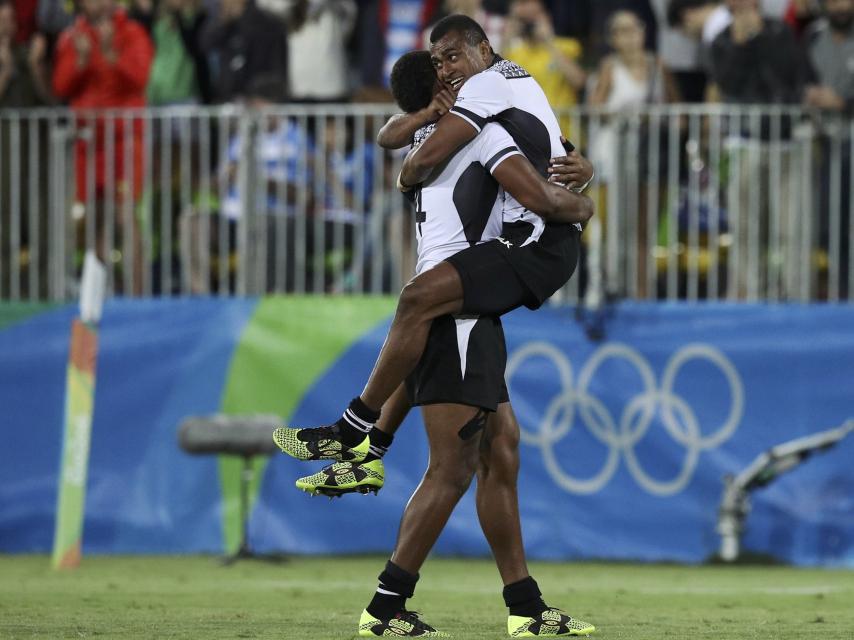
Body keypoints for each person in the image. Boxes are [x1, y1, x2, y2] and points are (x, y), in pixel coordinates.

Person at [293, 48, 596, 639]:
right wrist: (583, 200)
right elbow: (537, 197)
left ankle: (525, 607)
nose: (464, 82)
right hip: (459, 309)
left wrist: (570, 158)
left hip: (459, 304)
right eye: (451, 78)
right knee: (454, 468)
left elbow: (399, 148)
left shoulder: (421, 146)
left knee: (500, 452)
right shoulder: (480, 138)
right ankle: (383, 608)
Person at [274, 13, 593, 492]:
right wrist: (582, 172)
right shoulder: (505, 94)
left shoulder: (477, 118)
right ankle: (370, 454)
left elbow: (407, 151)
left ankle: (355, 433)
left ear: (483, 52)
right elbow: (551, 148)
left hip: (522, 246)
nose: (447, 69)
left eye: (452, 57)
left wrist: (581, 203)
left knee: (453, 468)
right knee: (494, 448)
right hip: (488, 261)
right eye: (439, 63)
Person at [52, 0, 153, 294]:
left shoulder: (132, 33)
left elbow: (140, 77)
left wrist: (110, 53)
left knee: (124, 213)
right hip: (89, 143)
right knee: (96, 220)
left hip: (123, 140)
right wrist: (82, 59)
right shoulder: (74, 37)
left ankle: (139, 295)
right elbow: (60, 86)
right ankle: (95, 297)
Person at [805, 0, 854, 297]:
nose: (841, 6)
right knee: (827, 227)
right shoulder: (813, 36)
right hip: (823, 143)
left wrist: (842, 103)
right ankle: (842, 292)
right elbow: (798, 78)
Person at [502, 0, 585, 136]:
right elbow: (494, 80)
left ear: (547, 17)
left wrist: (549, 42)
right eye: (524, 20)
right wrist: (507, 37)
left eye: (534, 17)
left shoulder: (567, 46)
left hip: (562, 133)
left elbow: (578, 81)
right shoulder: (514, 52)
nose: (530, 24)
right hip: (525, 134)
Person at [202, 0, 288, 103]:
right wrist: (222, 21)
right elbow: (204, 44)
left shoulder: (269, 24)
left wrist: (267, 94)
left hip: (260, 100)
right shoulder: (224, 22)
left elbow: (277, 67)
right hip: (227, 99)